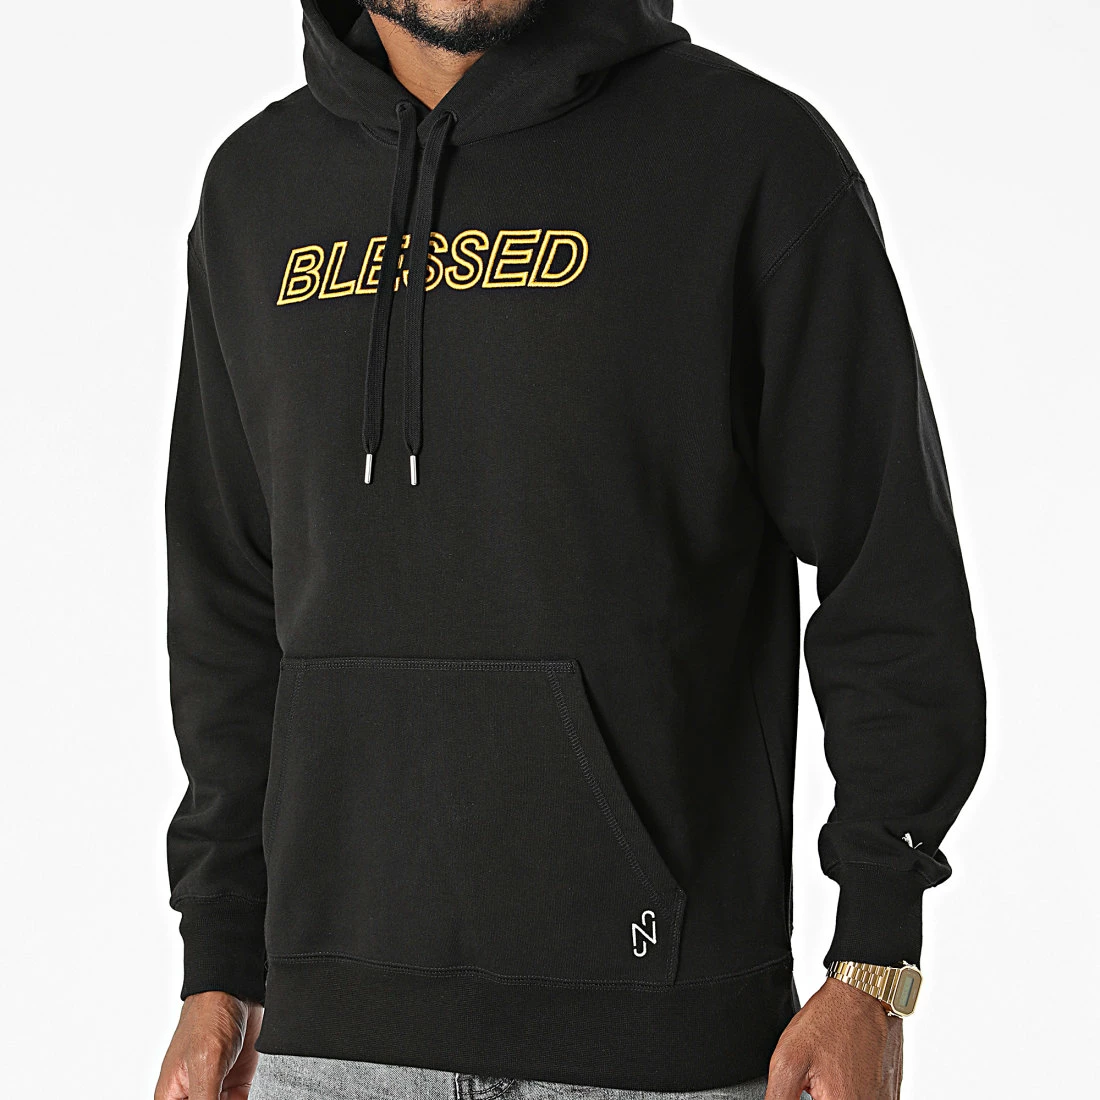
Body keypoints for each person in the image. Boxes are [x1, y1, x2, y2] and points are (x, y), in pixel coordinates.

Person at [154, 0, 986, 1097]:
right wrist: (217, 963)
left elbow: (889, 566)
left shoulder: (747, 158)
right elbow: (225, 596)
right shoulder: (254, 192)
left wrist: (873, 958)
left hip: (657, 1050)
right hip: (324, 1049)